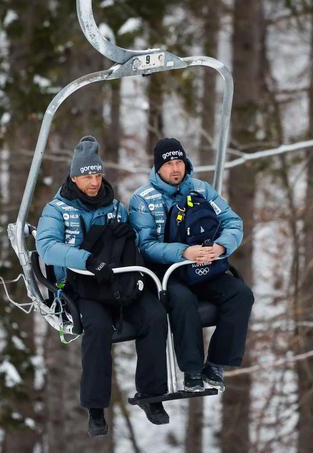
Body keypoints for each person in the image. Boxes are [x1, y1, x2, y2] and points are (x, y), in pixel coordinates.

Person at [36, 136, 169, 437]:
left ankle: (152, 395)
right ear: (74, 177)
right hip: (80, 285)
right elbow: (46, 247)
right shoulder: (58, 209)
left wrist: (128, 235)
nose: (94, 182)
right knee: (96, 328)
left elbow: (130, 243)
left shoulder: (114, 205)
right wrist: (86, 261)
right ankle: (96, 408)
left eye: (98, 175)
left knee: (155, 316)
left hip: (116, 279)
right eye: (87, 177)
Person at [129, 137, 254, 392]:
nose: (175, 169)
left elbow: (233, 223)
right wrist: (184, 252)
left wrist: (220, 247)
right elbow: (145, 245)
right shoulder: (143, 199)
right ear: (157, 168)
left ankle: (216, 364)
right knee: (183, 301)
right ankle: (192, 369)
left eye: (179, 162)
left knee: (241, 295)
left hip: (206, 266)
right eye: (169, 164)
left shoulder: (202, 190)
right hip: (167, 273)